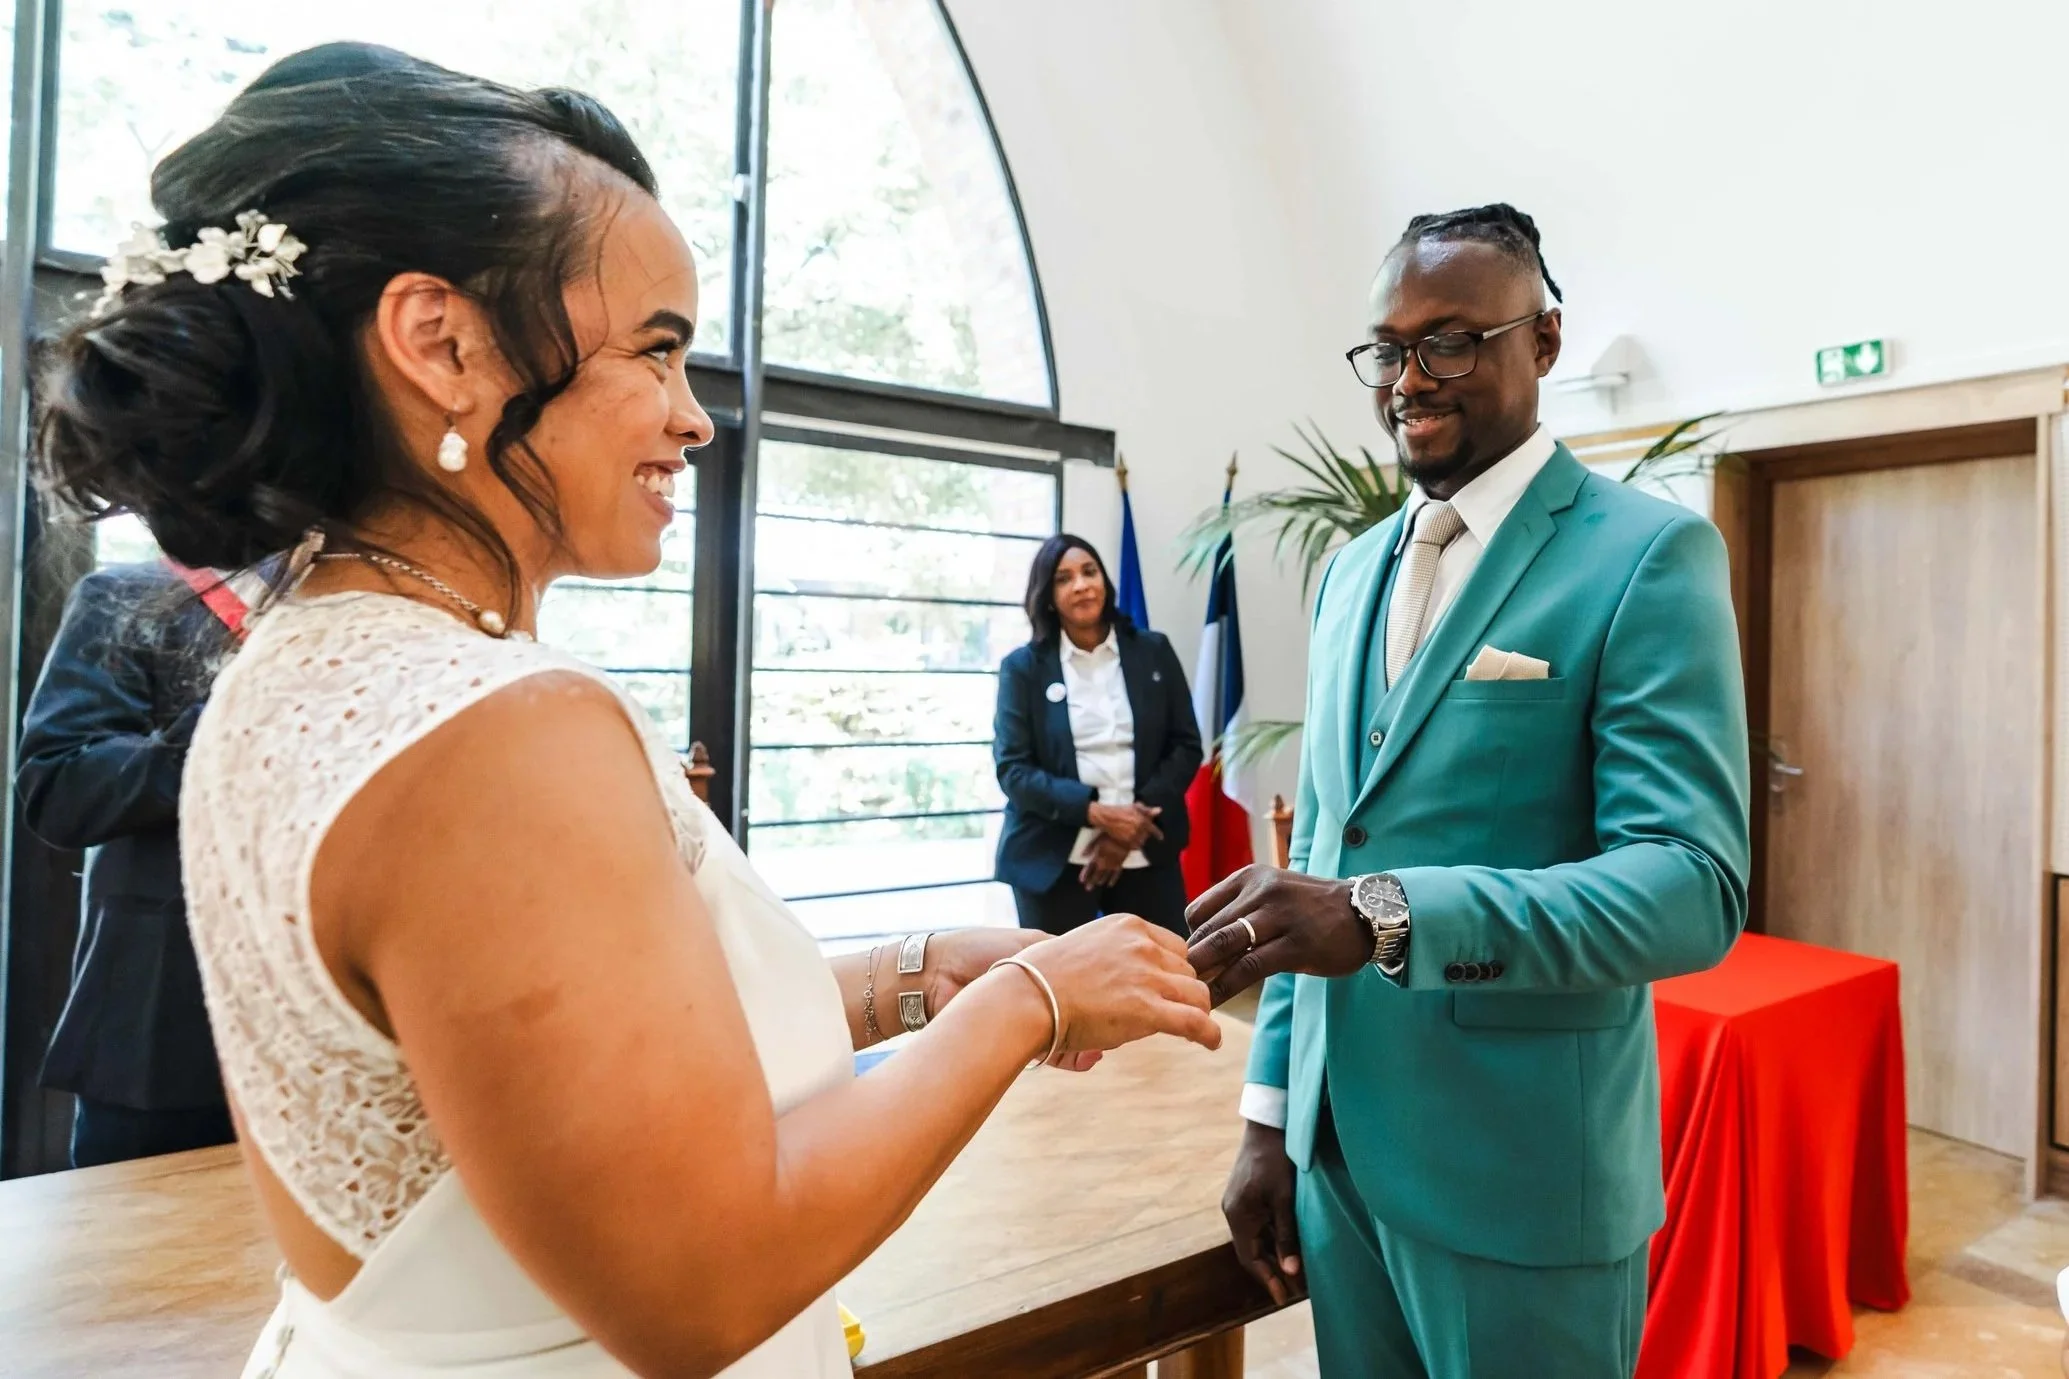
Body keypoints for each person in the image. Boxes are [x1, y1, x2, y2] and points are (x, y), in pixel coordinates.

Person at [35, 43, 1222, 1379]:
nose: (693, 419)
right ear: (441, 343)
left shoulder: (304, 664)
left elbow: (540, 1066)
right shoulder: (491, 732)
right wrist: (1024, 999)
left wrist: (901, 979)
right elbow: (702, 1282)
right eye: (656, 351)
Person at [1186, 204, 1750, 1378]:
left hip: (1522, 1176)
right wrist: (1269, 1118)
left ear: (1542, 340)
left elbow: (1688, 887)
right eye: (1388, 349)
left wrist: (1388, 914)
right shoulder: (1348, 574)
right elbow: (1323, 857)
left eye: (1447, 342)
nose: (1408, 380)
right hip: (1340, 1167)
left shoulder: (1642, 555)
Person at [16, 561, 249, 1167]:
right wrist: (233, 717)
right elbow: (60, 789)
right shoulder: (129, 598)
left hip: (351, 1021)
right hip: (165, 1031)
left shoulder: (390, 618)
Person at [994, 535, 1202, 936]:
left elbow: (1186, 746)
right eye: (1063, 578)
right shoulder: (1023, 668)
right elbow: (1013, 771)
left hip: (1146, 848)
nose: (1081, 585)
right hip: (1052, 858)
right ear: (1048, 596)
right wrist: (1097, 814)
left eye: (1089, 572)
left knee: (1165, 967)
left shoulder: (1154, 651)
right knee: (1057, 974)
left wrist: (1129, 827)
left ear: (1104, 582)